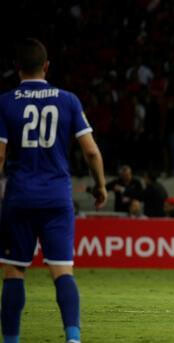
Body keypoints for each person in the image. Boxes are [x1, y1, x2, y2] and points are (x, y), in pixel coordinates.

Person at [0, 38, 107, 343]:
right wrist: (99, 186)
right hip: (57, 198)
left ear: (16, 68)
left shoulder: (6, 102)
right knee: (62, 271)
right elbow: (91, 152)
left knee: (14, 272)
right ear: (46, 66)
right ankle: (73, 338)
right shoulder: (68, 100)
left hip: (19, 197)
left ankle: (10, 339)